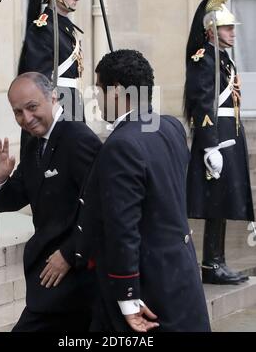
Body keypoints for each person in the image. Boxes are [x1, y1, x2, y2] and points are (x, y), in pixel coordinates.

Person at [74, 49, 211, 332]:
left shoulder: (121, 145)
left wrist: (127, 295)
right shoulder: (170, 125)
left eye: (99, 89)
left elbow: (123, 226)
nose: (95, 99)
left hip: (149, 288)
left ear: (117, 91)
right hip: (180, 273)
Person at [0, 72, 101, 332]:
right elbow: (12, 198)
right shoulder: (33, 142)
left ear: (53, 97)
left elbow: (100, 205)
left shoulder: (77, 138)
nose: (26, 119)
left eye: (32, 107)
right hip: (49, 278)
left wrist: (69, 254)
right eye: (18, 112)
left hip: (74, 278)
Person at [184, 0, 254, 285]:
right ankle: (212, 263)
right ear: (211, 30)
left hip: (229, 133)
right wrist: (209, 145)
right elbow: (202, 103)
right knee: (216, 201)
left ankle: (218, 261)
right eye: (227, 28)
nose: (232, 32)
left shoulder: (222, 59)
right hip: (217, 137)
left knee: (224, 201)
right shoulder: (205, 59)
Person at [18, 0, 84, 157]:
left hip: (72, 101)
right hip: (57, 103)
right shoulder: (43, 27)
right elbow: (38, 78)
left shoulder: (66, 27)